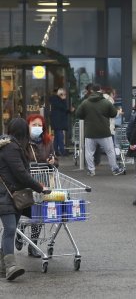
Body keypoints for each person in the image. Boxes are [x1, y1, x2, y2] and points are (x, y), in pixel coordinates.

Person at [0, 118, 46, 281]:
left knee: (10, 230)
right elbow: (21, 173)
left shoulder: (12, 146)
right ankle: (11, 266)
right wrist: (40, 188)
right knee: (11, 228)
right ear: (23, 132)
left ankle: (3, 266)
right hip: (6, 195)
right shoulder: (11, 148)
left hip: (14, 195)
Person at [15, 114, 58, 258]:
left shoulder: (47, 142)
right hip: (28, 182)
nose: (37, 128)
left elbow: (55, 160)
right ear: (28, 126)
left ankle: (33, 244)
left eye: (40, 125)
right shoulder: (22, 143)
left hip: (43, 181)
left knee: (39, 214)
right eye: (34, 125)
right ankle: (20, 230)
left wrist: (53, 161)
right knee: (29, 210)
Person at [76, 84, 124, 176]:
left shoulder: (85, 102)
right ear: (100, 91)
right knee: (110, 151)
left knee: (89, 152)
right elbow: (113, 114)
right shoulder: (106, 102)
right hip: (104, 132)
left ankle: (91, 170)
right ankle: (115, 169)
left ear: (92, 91)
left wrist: (85, 116)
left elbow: (78, 114)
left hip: (90, 132)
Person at [49, 88, 74, 156]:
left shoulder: (57, 100)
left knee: (57, 137)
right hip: (57, 121)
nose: (65, 96)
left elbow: (63, 110)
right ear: (60, 94)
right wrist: (63, 100)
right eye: (64, 94)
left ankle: (56, 151)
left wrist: (69, 111)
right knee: (60, 136)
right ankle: (62, 151)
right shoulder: (56, 100)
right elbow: (62, 107)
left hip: (58, 121)